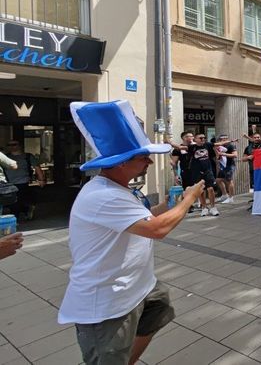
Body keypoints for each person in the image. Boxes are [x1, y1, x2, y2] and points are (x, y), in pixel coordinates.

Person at [59, 100, 205, 365]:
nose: (149, 162)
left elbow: (146, 217)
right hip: (108, 303)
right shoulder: (105, 196)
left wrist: (172, 203)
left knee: (159, 308)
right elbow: (157, 229)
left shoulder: (117, 190)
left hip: (137, 287)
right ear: (119, 163)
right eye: (142, 157)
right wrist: (189, 200)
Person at [3, 140, 46, 220]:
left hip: (23, 182)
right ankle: (23, 213)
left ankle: (23, 213)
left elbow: (37, 168)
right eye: (9, 145)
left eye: (14, 144)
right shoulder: (5, 157)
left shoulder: (27, 156)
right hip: (9, 183)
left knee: (20, 201)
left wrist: (41, 180)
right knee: (13, 203)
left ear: (19, 146)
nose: (12, 146)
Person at [216, 134, 239, 205]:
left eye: (226, 138)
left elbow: (235, 155)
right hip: (223, 165)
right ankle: (224, 194)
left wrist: (223, 154)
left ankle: (231, 197)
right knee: (218, 180)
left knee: (229, 181)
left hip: (230, 165)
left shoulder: (231, 145)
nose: (224, 140)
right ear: (219, 140)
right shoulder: (219, 146)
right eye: (222, 139)